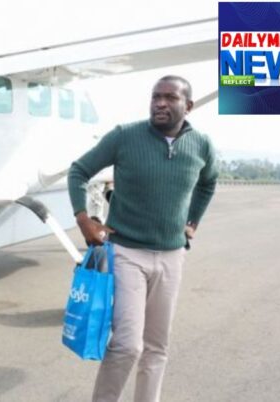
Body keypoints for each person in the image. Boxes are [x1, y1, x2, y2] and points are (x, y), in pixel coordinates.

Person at [68, 75, 218, 402]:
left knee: (157, 346)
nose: (160, 103)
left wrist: (192, 222)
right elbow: (78, 170)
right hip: (126, 253)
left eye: (170, 98)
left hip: (171, 256)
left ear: (188, 106)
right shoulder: (125, 137)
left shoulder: (202, 144)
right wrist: (83, 219)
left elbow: (209, 182)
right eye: (155, 97)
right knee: (126, 344)